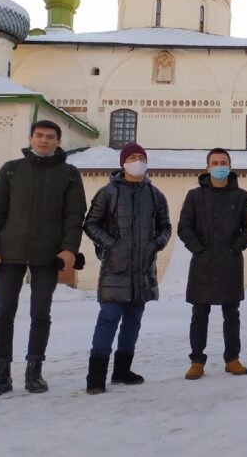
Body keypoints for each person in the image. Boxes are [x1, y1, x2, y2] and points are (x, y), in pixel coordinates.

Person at [0, 120, 87, 398]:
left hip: (47, 255)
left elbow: (75, 216)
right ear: (30, 138)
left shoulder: (69, 174)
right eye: (39, 135)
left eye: (50, 137)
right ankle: (0, 374)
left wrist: (68, 249)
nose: (44, 140)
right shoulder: (12, 170)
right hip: (9, 253)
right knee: (4, 313)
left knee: (40, 313)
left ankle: (34, 371)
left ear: (58, 142)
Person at [83, 143, 171, 394]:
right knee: (108, 318)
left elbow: (165, 225)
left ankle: (122, 370)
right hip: (115, 268)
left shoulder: (155, 195)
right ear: (123, 162)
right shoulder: (108, 193)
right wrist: (112, 244)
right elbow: (91, 224)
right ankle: (95, 377)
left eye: (141, 157)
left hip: (143, 269)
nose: (137, 161)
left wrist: (157, 244)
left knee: (133, 321)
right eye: (132, 157)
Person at [178, 148, 247, 380]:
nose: (219, 166)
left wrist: (235, 248)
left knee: (231, 313)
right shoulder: (194, 196)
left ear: (230, 167)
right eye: (215, 162)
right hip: (202, 262)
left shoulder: (241, 196)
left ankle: (232, 358)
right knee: (199, 313)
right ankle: (197, 361)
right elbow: (184, 227)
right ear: (207, 167)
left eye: (223, 162)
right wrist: (198, 249)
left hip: (230, 262)